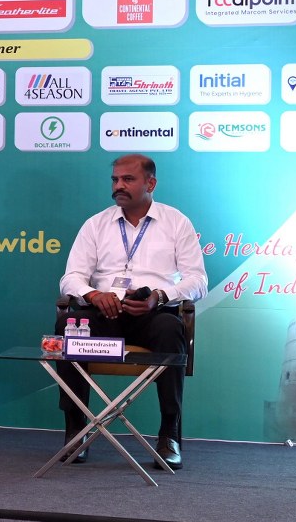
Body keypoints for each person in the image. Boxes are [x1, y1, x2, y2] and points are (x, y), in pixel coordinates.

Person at [56, 154, 207, 468]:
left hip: (151, 314)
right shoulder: (96, 224)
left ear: (151, 184)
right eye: (115, 180)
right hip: (105, 313)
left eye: (128, 179)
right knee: (69, 324)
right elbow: (71, 278)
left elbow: (197, 280)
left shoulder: (176, 222)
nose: (118, 186)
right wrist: (93, 294)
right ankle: (76, 429)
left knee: (171, 328)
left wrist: (160, 296)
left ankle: (169, 434)